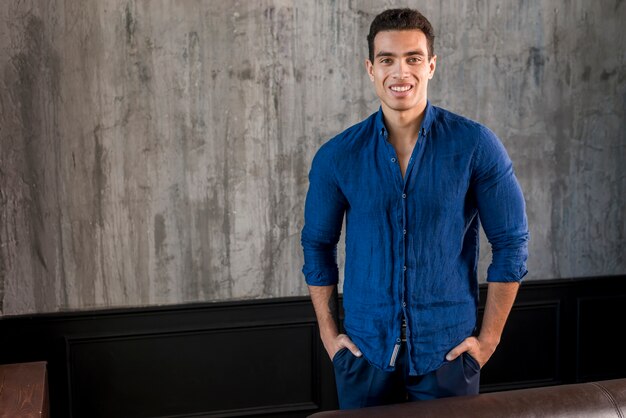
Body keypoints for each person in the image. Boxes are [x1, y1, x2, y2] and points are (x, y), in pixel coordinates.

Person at [301, 7, 529, 410]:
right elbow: (317, 245)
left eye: (413, 58)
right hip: (362, 355)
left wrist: (488, 341)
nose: (400, 72)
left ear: (431, 65)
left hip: (449, 356)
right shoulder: (337, 156)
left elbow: (511, 244)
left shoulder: (476, 146)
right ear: (370, 68)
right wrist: (328, 334)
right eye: (387, 59)